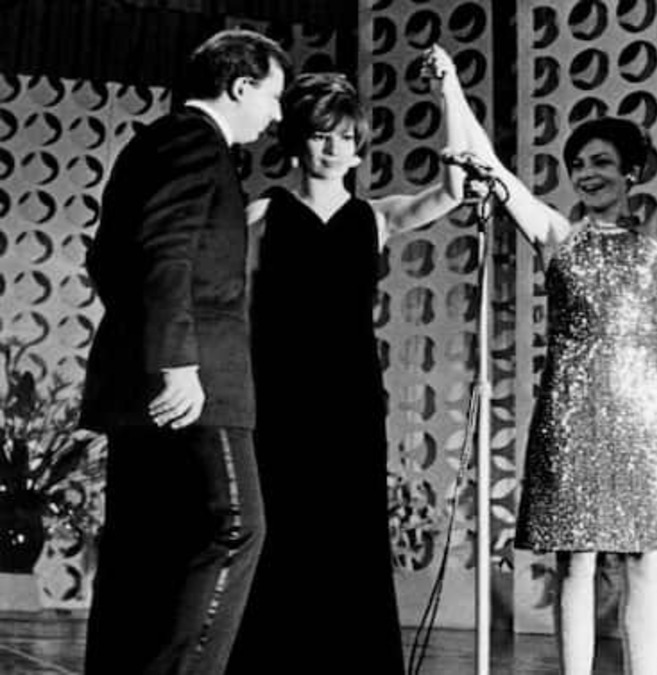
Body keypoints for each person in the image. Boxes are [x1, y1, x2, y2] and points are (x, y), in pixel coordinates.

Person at [225, 46, 474, 674]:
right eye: (321, 135)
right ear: (296, 141)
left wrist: (447, 90)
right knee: (281, 532)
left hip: (352, 398)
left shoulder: (376, 218)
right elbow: (238, 312)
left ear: (359, 147)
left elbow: (454, 189)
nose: (334, 149)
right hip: (278, 396)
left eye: (345, 137)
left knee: (350, 535)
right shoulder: (262, 215)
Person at [452, 112, 657, 674]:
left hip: (645, 418)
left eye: (601, 162)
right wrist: (448, 83)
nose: (587, 173)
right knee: (576, 561)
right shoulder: (556, 236)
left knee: (648, 560)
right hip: (572, 414)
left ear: (631, 172)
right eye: (578, 164)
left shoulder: (656, 240)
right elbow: (493, 167)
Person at [79, 28, 289, 674]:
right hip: (195, 383)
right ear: (241, 86)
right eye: (273, 97)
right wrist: (177, 363)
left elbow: (109, 259)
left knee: (145, 548)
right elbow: (163, 251)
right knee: (235, 524)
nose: (276, 116)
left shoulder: (155, 142)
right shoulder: (195, 142)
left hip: (145, 380)